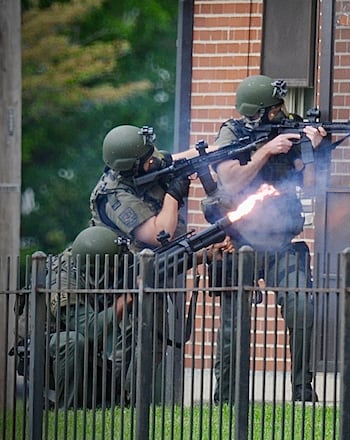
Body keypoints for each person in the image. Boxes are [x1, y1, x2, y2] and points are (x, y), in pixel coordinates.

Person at [208, 74, 327, 403]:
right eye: (275, 109)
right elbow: (230, 180)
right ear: (256, 113)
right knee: (234, 325)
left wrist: (310, 149)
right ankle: (226, 397)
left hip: (282, 243)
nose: (282, 112)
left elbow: (313, 186)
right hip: (240, 244)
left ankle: (303, 389)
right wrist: (265, 151)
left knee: (303, 307)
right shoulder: (232, 132)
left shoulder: (293, 128)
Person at [88, 124, 200, 403]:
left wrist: (205, 157)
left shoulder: (143, 162)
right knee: (145, 340)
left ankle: (120, 400)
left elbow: (172, 159)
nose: (154, 160)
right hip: (126, 276)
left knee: (141, 343)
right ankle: (130, 402)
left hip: (149, 272)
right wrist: (175, 193)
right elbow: (159, 235)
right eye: (148, 159)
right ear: (132, 167)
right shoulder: (114, 197)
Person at [46, 225, 132, 408]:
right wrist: (123, 301)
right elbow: (90, 330)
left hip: (81, 348)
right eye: (111, 267)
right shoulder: (64, 279)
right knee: (72, 340)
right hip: (46, 346)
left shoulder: (85, 266)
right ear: (97, 266)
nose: (115, 271)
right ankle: (67, 411)